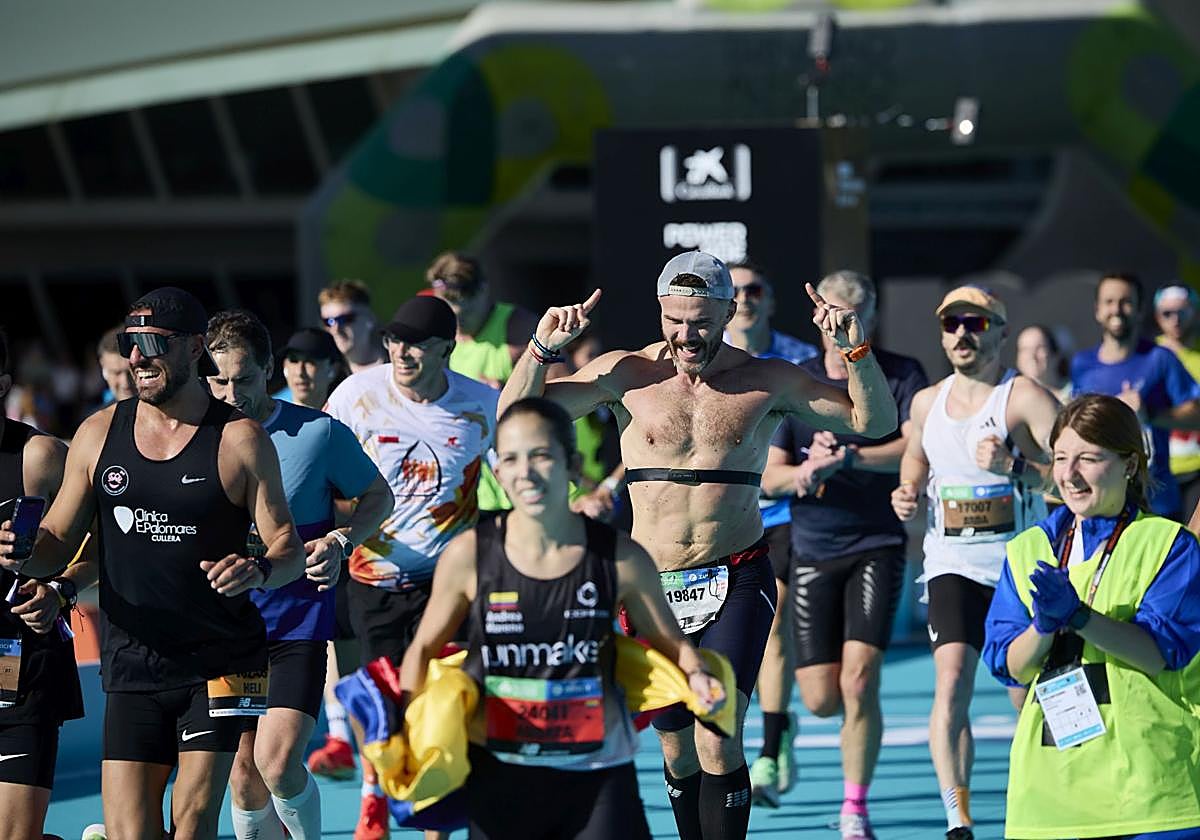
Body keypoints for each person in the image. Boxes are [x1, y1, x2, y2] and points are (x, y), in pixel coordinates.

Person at [498, 250, 898, 840]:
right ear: (660, 312)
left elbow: (873, 422)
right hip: (650, 587)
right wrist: (541, 350)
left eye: (702, 322)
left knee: (717, 732)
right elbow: (514, 418)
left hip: (737, 575)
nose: (687, 335)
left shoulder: (766, 379)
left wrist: (856, 352)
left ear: (729, 314)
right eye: (676, 320)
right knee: (676, 746)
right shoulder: (624, 373)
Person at [0, 287, 306, 840]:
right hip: (132, 663)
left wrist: (259, 570)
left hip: (220, 661)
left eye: (153, 343)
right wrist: (24, 551)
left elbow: (287, 546)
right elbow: (58, 542)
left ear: (194, 348)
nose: (137, 357)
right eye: (129, 343)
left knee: (191, 826)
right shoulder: (97, 434)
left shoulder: (240, 439)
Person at [398, 397, 725, 839]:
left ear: (572, 465)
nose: (525, 472)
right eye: (511, 459)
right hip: (501, 778)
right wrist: (405, 729)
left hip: (598, 777)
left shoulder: (620, 557)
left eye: (540, 455)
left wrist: (699, 678)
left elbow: (673, 642)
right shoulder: (468, 556)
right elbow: (423, 650)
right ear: (498, 473)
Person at [205, 311, 394, 840]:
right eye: (218, 381)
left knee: (278, 764)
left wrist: (340, 540)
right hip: (224, 632)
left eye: (244, 378)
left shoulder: (316, 432)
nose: (231, 393)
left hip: (295, 626)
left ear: (269, 368)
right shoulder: (193, 439)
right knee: (243, 780)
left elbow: (378, 496)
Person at [983, 394, 1200, 839]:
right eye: (1061, 457)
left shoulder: (1169, 546)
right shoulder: (1028, 550)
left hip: (1152, 791)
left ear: (1129, 464)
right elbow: (1013, 668)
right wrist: (1043, 627)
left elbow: (1157, 653)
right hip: (1051, 796)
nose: (1070, 474)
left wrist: (1079, 616)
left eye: (1089, 458)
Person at [323, 294, 500, 840]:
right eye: (395, 341)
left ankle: (438, 827)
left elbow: (516, 471)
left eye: (417, 345)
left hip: (450, 585)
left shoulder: (481, 404)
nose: (401, 352)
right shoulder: (355, 395)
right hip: (372, 576)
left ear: (446, 349)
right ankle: (373, 791)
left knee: (443, 706)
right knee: (381, 705)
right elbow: (320, 469)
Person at [760, 271, 927, 837]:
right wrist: (808, 472)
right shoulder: (797, 379)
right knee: (822, 699)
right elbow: (772, 475)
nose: (838, 324)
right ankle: (790, 733)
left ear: (870, 316)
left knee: (860, 681)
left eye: (852, 314)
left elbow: (913, 446)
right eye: (831, 313)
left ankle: (855, 807)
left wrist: (850, 458)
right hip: (812, 545)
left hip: (876, 542)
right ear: (817, 317)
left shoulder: (901, 374)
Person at [890, 285, 1060, 840]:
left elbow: (1076, 473)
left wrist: (1017, 467)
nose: (962, 334)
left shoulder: (1024, 397)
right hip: (952, 564)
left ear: (1000, 332)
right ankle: (957, 817)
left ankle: (1056, 792)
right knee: (951, 682)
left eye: (976, 324)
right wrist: (907, 490)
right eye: (952, 324)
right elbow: (915, 456)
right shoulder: (926, 402)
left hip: (1019, 567)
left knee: (1027, 693)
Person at [720, 259, 819, 806]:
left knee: (774, 630)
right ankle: (721, 746)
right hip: (718, 518)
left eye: (755, 289)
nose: (745, 298)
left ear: (771, 300)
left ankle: (771, 745)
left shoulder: (799, 360)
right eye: (734, 290)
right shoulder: (703, 354)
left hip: (779, 515)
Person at [0, 328, 87, 840]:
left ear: (3, 385)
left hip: (25, 664)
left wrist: (61, 589)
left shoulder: (40, 456)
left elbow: (105, 544)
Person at [1070, 271, 1200, 520]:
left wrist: (1150, 413)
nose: (1117, 309)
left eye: (1126, 302)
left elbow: (1196, 414)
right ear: (1097, 310)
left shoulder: (1160, 358)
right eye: (1109, 302)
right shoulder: (1081, 364)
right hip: (1101, 504)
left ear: (1140, 310)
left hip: (1157, 503)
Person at [426, 252, 547, 513]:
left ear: (483, 291)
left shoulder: (519, 328)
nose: (458, 320)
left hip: (525, 489)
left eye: (465, 310)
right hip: (469, 495)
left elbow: (564, 400)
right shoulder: (439, 338)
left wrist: (511, 395)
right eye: (450, 310)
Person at [1153, 284, 1200, 521]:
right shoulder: (1147, 356)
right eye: (1167, 313)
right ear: (1157, 316)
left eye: (1182, 311)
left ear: (1196, 312)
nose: (1175, 319)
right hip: (1157, 471)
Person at [320, 280, 388, 374]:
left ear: (369, 319)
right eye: (328, 322)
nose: (336, 329)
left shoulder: (400, 365)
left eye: (344, 319)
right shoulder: (324, 375)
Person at [274, 328, 343, 409]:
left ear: (333, 369)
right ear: (285, 366)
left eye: (310, 362)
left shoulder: (346, 411)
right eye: (294, 360)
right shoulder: (268, 412)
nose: (299, 372)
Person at [1014, 324, 1071, 404]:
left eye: (1039, 348)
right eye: (1025, 349)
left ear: (1056, 355)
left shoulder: (1075, 395)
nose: (1032, 356)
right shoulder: (1009, 399)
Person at [95, 324, 136, 408]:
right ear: (103, 370)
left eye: (132, 372)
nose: (125, 383)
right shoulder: (97, 416)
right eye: (116, 373)